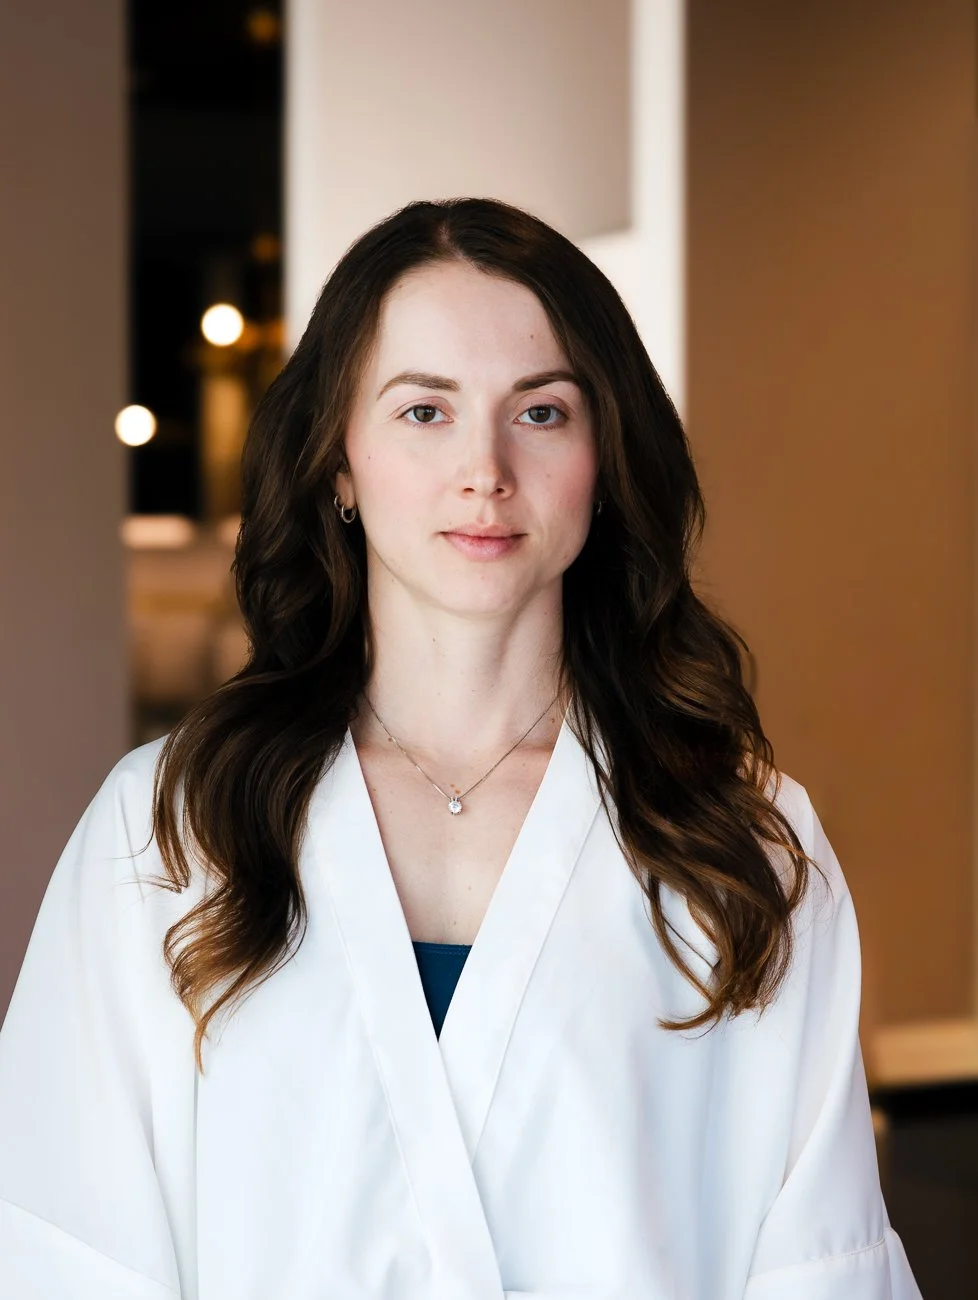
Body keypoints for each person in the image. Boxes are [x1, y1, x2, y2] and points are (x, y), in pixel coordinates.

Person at [0, 197, 922, 1300]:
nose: (484, 469)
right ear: (339, 463)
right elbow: (65, 1247)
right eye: (424, 412)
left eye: (540, 413)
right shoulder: (168, 828)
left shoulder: (742, 841)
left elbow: (817, 1265)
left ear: (603, 455)